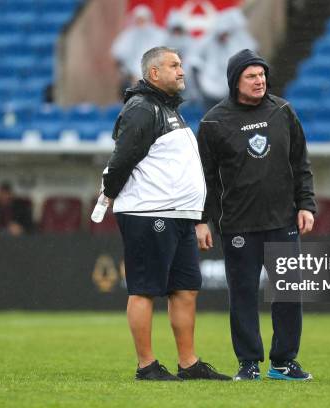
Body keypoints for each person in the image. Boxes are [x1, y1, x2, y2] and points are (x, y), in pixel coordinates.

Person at [100, 46, 229, 381]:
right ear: (153, 73)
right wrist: (109, 193)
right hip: (149, 213)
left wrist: (198, 217)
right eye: (174, 65)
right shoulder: (142, 108)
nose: (182, 70)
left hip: (179, 215)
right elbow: (122, 158)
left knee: (185, 288)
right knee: (144, 289)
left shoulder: (168, 109)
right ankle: (146, 365)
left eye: (182, 64)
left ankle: (188, 363)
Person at [196, 49, 316, 381]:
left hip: (282, 221)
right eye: (251, 76)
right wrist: (201, 220)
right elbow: (203, 177)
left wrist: (306, 204)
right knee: (244, 296)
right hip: (237, 224)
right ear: (235, 81)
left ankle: (283, 362)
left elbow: (300, 164)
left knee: (289, 294)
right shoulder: (213, 121)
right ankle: (248, 363)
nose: (259, 80)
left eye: (262, 74)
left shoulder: (283, 111)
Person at [190, 8, 257, 111]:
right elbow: (195, 63)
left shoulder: (236, 45)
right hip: (208, 89)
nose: (224, 37)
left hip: (230, 90)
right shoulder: (206, 43)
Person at [111, 5, 166, 98]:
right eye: (139, 20)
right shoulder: (127, 36)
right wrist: (129, 74)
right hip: (131, 78)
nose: (141, 23)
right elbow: (118, 54)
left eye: (144, 20)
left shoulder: (160, 35)